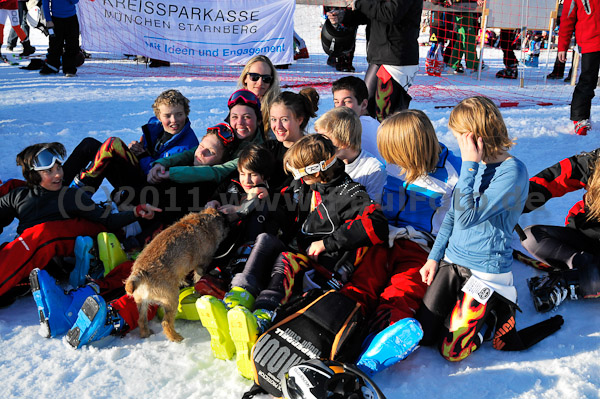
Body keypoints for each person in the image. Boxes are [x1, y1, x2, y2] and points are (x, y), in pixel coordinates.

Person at [197, 134, 389, 379]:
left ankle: (262, 317)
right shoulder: (305, 185)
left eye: (301, 175)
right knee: (265, 241)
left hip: (321, 268)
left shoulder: (349, 193)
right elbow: (286, 206)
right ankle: (237, 300)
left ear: (318, 170)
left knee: (286, 259)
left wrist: (327, 242)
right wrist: (265, 199)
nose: (297, 180)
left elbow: (378, 224)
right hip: (297, 250)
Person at [415, 96, 563, 362]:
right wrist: (433, 257)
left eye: (460, 136)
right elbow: (452, 216)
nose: (458, 143)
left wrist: (469, 165)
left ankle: (493, 315)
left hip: (485, 271)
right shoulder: (477, 165)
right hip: (453, 261)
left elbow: (466, 218)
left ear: (476, 136)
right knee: (424, 336)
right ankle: (466, 309)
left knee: (452, 350)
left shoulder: (512, 171)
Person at [336, 109, 461, 375]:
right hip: (385, 236)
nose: (390, 160)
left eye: (394, 154)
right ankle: (337, 327)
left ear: (411, 149)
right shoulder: (391, 162)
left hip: (421, 247)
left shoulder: (454, 175)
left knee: (402, 290)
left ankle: (382, 342)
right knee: (362, 281)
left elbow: (462, 223)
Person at [0, 142, 159, 301]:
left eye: (59, 168)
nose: (58, 175)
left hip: (68, 259)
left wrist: (135, 213)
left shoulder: (71, 196)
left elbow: (107, 221)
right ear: (34, 175)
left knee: (40, 237)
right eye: (50, 171)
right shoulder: (18, 196)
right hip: (34, 257)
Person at [64, 89, 199, 199]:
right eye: (167, 116)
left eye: (179, 114)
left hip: (150, 190)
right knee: (89, 145)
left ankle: (78, 196)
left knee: (113, 144)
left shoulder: (188, 145)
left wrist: (142, 155)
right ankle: (55, 187)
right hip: (140, 173)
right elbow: (148, 150)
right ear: (159, 116)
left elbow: (158, 176)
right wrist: (136, 149)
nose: (174, 120)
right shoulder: (155, 128)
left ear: (186, 114)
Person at [521, 147, 600, 312]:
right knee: (530, 236)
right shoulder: (595, 161)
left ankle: (572, 281)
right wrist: (507, 206)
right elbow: (552, 179)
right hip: (583, 239)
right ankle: (581, 269)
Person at [153, 89, 266, 187]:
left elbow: (218, 172)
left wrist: (170, 174)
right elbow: (191, 153)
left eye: (247, 117)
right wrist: (162, 163)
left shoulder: (257, 151)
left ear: (259, 120)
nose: (240, 123)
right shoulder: (228, 135)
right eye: (235, 117)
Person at [341, 0, 422, 120]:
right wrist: (344, 16)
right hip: (381, 56)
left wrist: (360, 3)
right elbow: (369, 13)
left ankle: (392, 138)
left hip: (395, 59)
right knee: (366, 107)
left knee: (385, 115)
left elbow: (391, 13)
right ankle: (372, 137)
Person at [314, 106, 386, 203]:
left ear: (345, 143)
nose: (319, 144)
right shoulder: (324, 162)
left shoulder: (374, 169)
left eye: (325, 139)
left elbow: (372, 209)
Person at [557, 0, 600, 135]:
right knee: (587, 81)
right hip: (590, 43)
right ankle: (580, 119)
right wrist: (562, 45)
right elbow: (567, 20)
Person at [264, 88, 319, 191]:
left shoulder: (312, 152)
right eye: (273, 119)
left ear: (299, 120)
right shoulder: (268, 149)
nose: (278, 126)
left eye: (284, 119)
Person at [331, 76, 382, 163]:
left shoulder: (355, 128)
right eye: (336, 102)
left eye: (347, 101)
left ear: (364, 104)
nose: (340, 107)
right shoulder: (373, 123)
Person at [237, 55, 281, 138]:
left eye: (266, 78)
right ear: (245, 78)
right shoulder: (236, 102)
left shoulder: (277, 107)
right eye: (254, 77)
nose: (260, 82)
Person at [40, 0, 80, 76]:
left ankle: (69, 69)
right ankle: (52, 66)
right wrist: (48, 20)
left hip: (71, 18)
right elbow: (45, 3)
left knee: (72, 44)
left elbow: (75, 1)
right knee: (55, 44)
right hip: (56, 19)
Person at [321, 5, 357, 72]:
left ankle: (346, 62)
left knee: (349, 32)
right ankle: (339, 60)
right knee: (336, 32)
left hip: (348, 8)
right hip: (335, 6)